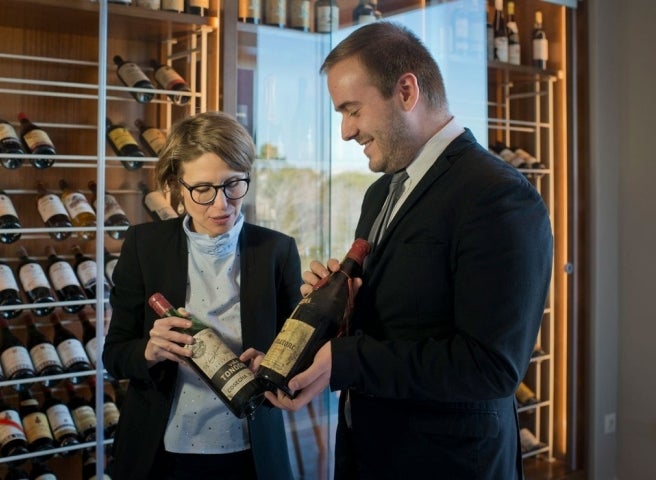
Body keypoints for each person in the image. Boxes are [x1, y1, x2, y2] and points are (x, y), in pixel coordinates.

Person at [264, 21, 554, 479]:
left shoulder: (498, 196)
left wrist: (348, 360)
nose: (345, 131)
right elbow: (399, 318)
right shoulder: (379, 194)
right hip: (368, 454)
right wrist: (342, 313)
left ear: (405, 91)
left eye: (352, 110)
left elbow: (491, 368)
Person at [103, 111, 303, 480]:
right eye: (202, 190)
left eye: (233, 185)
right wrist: (148, 351)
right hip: (160, 452)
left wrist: (275, 366)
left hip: (252, 452)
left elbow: (298, 359)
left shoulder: (278, 251)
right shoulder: (144, 246)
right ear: (176, 185)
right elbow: (114, 356)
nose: (220, 205)